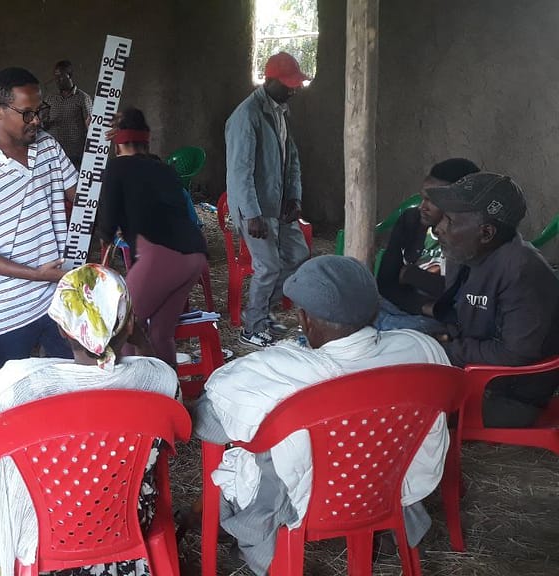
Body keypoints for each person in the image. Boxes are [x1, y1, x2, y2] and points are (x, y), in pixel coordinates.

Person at [191, 255, 451, 574]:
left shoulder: (271, 373)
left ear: (305, 319)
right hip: (385, 488)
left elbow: (207, 424)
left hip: (305, 505)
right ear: (374, 307)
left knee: (241, 463)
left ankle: (244, 539)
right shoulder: (422, 352)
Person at [0, 264, 179, 576]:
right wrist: (143, 340)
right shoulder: (156, 381)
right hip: (126, 520)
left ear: (60, 329)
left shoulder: (14, 385)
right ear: (129, 325)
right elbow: (177, 424)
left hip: (39, 531)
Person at [0, 66, 78, 374]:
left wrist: (104, 151)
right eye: (27, 113)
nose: (36, 120)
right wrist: (37, 274)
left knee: (74, 386)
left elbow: (82, 195)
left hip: (56, 299)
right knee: (16, 400)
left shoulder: (47, 146)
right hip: (6, 312)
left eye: (39, 111)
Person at [427, 172, 559, 427]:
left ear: (486, 232)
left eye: (450, 220)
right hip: (469, 372)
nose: (438, 228)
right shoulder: (467, 254)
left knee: (398, 402)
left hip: (509, 398)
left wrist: (447, 350)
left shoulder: (522, 273)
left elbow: (515, 354)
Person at [97, 108, 208, 366]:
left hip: (160, 256)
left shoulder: (117, 168)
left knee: (120, 331)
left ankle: (129, 397)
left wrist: (104, 252)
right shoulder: (164, 169)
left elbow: (108, 225)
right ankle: (169, 395)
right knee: (161, 334)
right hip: (195, 254)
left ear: (118, 143)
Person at [225, 52, 311, 347]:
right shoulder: (246, 116)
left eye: (295, 83)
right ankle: (253, 327)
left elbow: (293, 159)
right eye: (288, 83)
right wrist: (251, 214)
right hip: (256, 208)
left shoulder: (280, 111)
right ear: (269, 80)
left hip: (279, 203)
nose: (293, 89)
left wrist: (295, 197)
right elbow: (240, 171)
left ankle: (264, 310)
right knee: (268, 267)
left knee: (298, 255)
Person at [374, 158, 480, 333]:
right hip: (403, 310)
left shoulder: (474, 238)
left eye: (432, 200)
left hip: (445, 322)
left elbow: (466, 299)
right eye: (423, 197)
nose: (422, 207)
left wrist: (413, 275)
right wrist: (426, 306)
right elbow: (385, 283)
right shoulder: (410, 221)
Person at [42, 60, 94, 169]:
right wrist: (44, 119)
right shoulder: (50, 99)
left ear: (69, 75)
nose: (57, 80)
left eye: (60, 77)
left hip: (75, 153)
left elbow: (91, 127)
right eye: (55, 77)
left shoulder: (82, 98)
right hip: (54, 153)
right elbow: (44, 127)